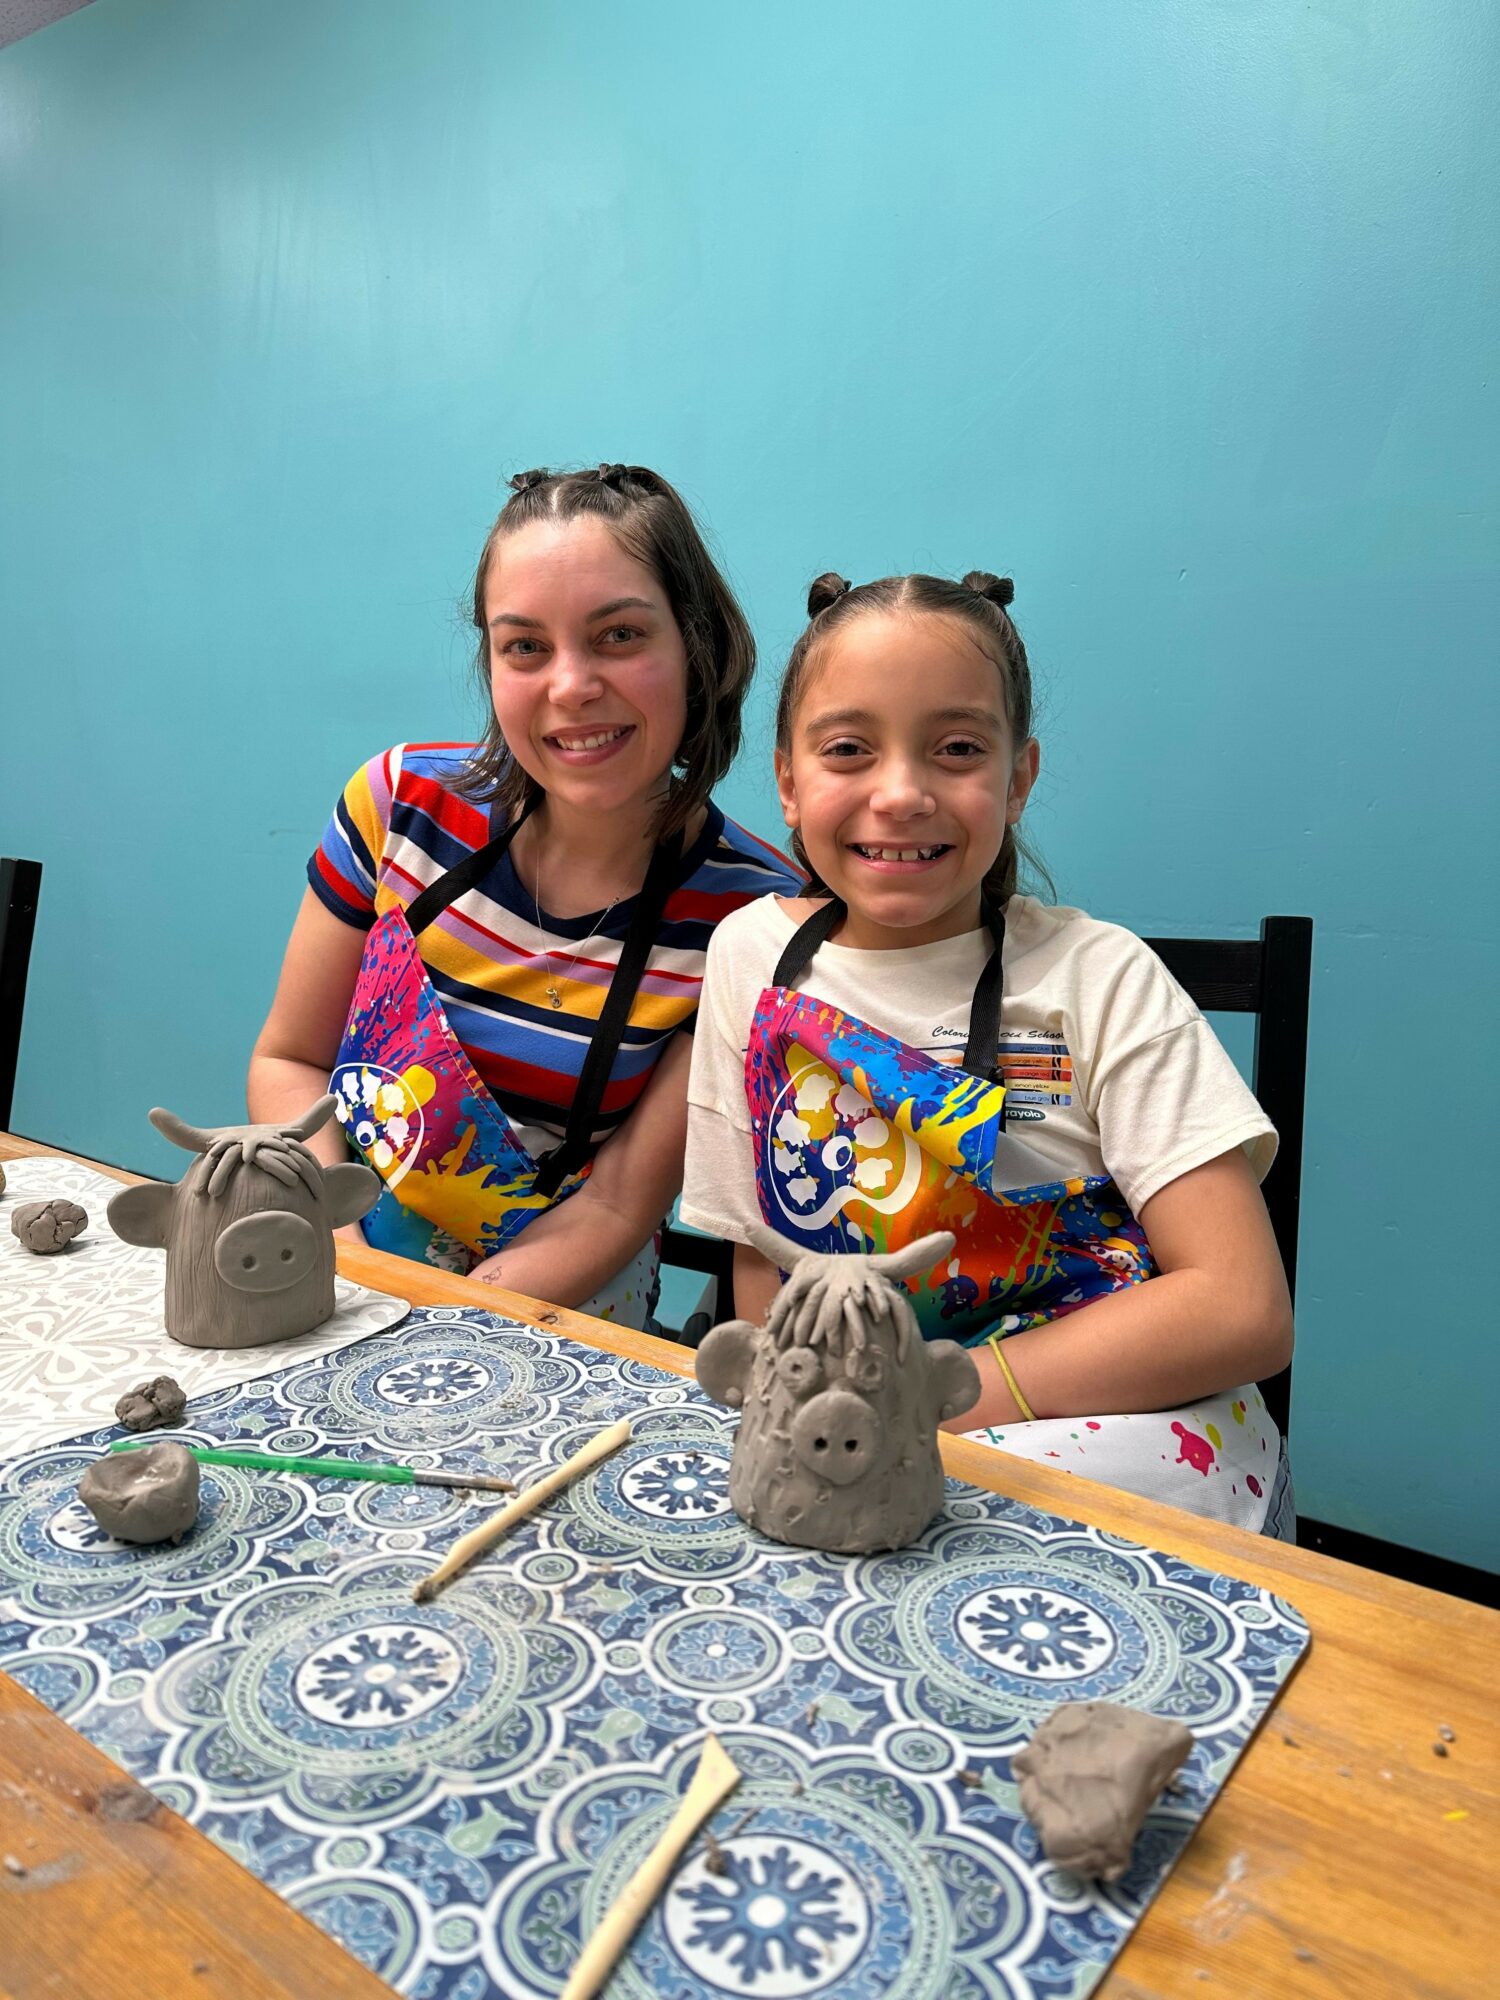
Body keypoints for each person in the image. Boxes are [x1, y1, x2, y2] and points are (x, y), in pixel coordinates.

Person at [680, 570, 1295, 1532]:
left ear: (1018, 780)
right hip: (850, 1427)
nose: (901, 793)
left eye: (958, 748)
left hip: (1102, 1418)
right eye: (848, 749)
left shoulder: (1100, 976)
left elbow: (1240, 1305)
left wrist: (938, 1401)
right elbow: (764, 1267)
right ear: (789, 784)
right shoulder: (749, 958)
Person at [249, 465, 801, 1327]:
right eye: (525, 646)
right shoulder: (398, 808)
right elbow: (289, 1063)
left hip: (556, 1309)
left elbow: (617, 1203)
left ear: (700, 650)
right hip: (331, 1260)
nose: (570, 685)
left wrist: (429, 1323)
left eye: (619, 635)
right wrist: (344, 1256)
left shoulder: (757, 920)